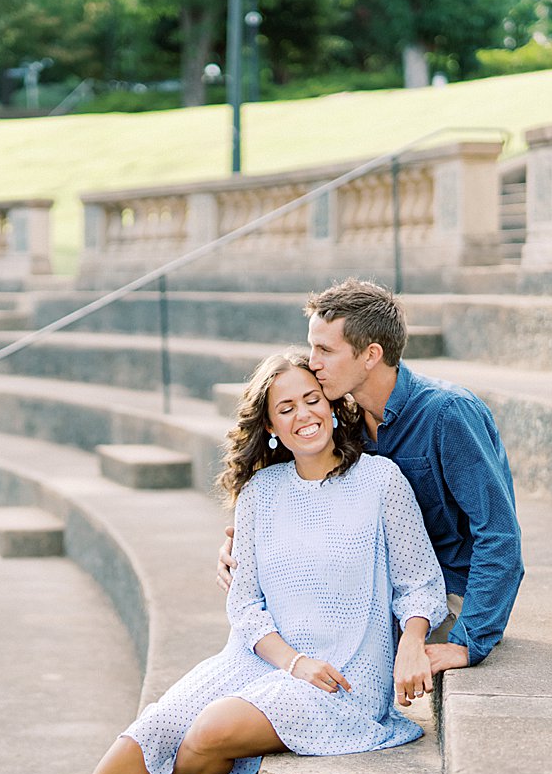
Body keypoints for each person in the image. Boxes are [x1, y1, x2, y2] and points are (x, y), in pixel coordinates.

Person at [20, 351, 447, 774]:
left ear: (332, 405)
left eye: (312, 400)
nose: (303, 416)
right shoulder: (260, 495)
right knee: (160, 723)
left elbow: (419, 580)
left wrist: (411, 642)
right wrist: (290, 661)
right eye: (286, 408)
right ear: (270, 426)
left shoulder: (379, 480)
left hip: (346, 675)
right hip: (264, 659)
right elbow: (244, 607)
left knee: (210, 730)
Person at [218, 278, 524, 673]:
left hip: (439, 596)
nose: (313, 362)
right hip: (362, 590)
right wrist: (243, 553)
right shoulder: (343, 421)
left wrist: (468, 644)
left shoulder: (448, 415)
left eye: (325, 350)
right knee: (261, 641)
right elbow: (294, 498)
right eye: (312, 347)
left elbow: (499, 536)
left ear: (370, 355)